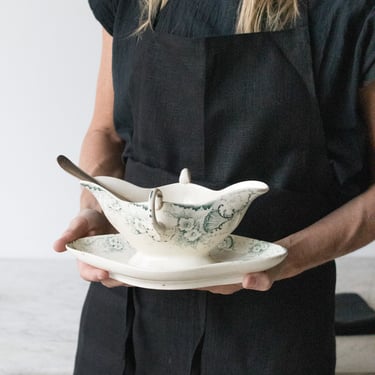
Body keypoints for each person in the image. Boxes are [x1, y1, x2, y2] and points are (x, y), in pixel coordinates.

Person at [54, 0, 375, 374]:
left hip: (273, 316)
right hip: (129, 294)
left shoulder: (347, 10)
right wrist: (96, 208)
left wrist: (282, 259)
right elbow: (105, 132)